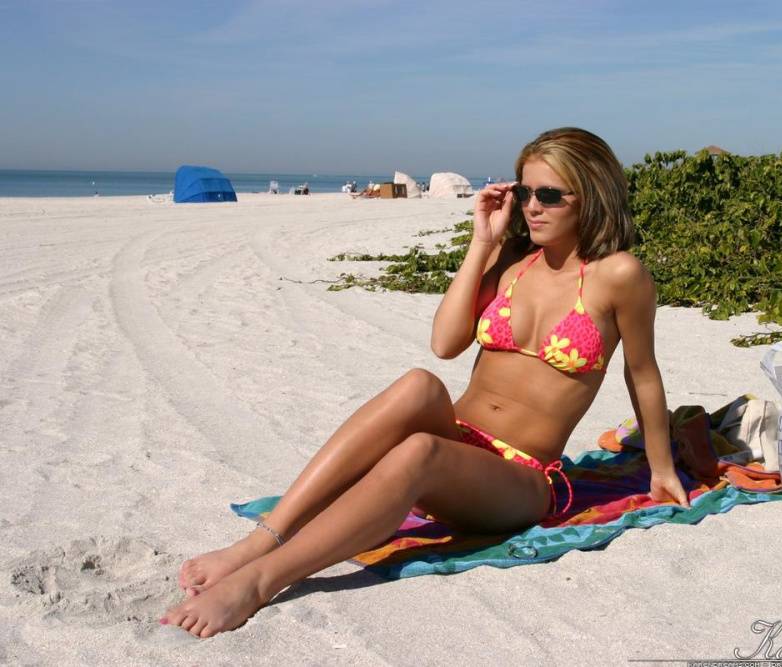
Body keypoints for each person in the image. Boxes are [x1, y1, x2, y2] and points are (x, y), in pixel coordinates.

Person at [160, 127, 688, 638]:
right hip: (457, 439)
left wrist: (660, 470)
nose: (532, 206)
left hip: (519, 479)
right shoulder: (514, 263)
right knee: (419, 383)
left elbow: (642, 374)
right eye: (525, 191)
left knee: (418, 452)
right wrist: (483, 242)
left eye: (549, 195)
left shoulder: (619, 275)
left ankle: (261, 580)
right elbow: (445, 343)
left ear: (591, 196)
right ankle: (259, 542)